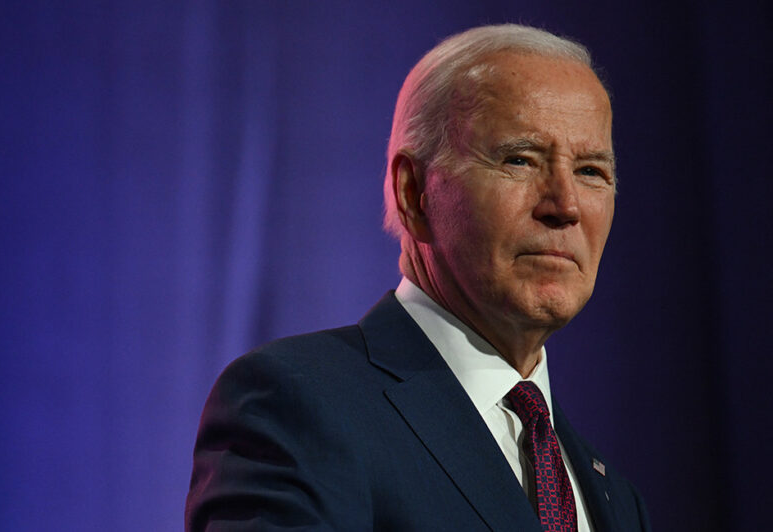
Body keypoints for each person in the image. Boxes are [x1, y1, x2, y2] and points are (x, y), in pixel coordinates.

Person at [186, 24, 650, 531]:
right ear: (414, 193)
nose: (565, 206)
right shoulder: (297, 405)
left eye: (591, 172)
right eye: (520, 159)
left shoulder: (615, 498)